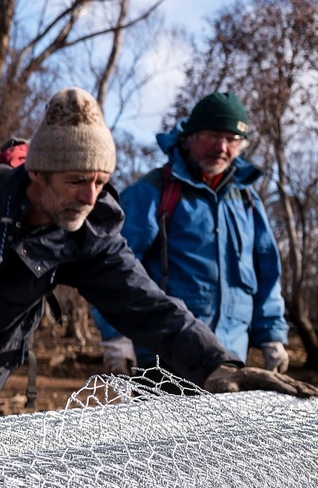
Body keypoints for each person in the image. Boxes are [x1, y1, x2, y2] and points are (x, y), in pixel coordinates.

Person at [0, 87, 316, 430]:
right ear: (37, 175)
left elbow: (148, 305)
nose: (90, 196)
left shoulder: (90, 235)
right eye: (76, 181)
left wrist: (219, 363)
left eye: (100, 180)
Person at [95, 91, 290, 375]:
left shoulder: (248, 201)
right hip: (163, 359)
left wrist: (272, 335)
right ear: (190, 136)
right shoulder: (153, 191)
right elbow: (110, 268)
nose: (222, 147)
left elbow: (267, 274)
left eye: (232, 139)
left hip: (231, 360)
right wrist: (116, 336)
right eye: (212, 135)